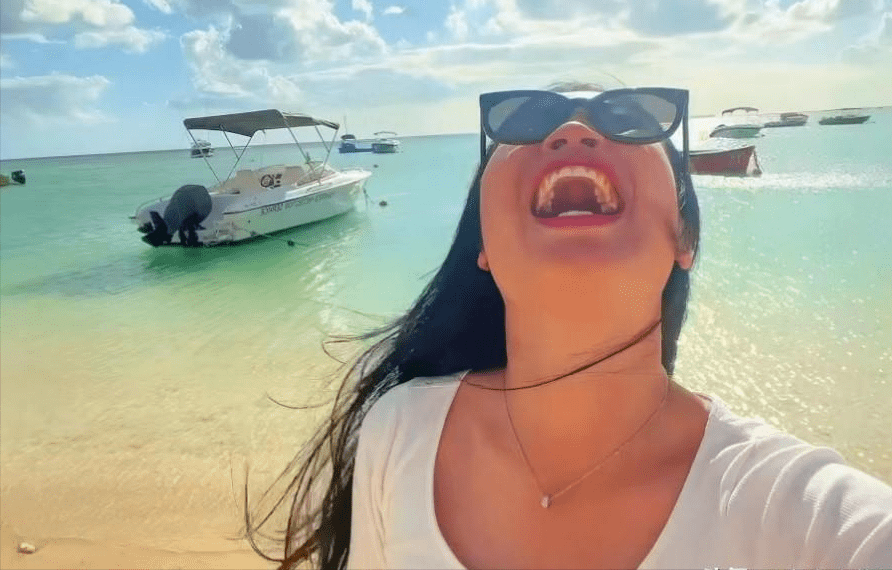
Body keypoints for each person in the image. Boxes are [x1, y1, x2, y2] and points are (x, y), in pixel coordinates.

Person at [251, 83, 892, 570]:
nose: (573, 129)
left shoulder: (800, 514)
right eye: (528, 119)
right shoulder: (399, 432)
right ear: (484, 243)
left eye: (630, 117)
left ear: (686, 238)